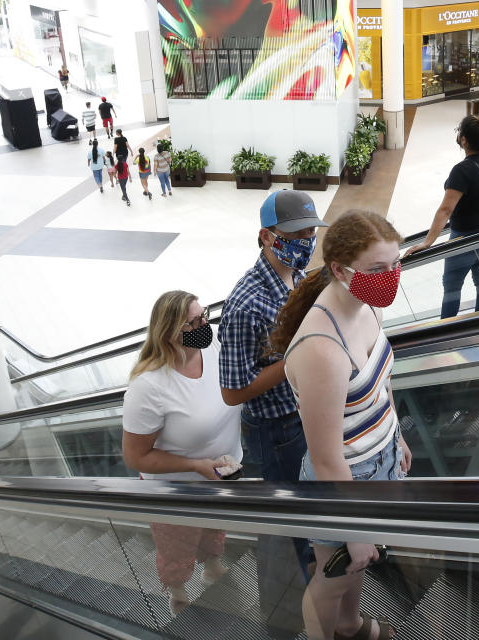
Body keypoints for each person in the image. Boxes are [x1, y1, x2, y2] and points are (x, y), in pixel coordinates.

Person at [269, 211, 411, 640]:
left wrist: (396, 437)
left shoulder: (366, 305)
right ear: (339, 270)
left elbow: (381, 385)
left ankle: (350, 626)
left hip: (378, 461)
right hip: (345, 480)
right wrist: (357, 530)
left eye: (396, 264)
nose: (391, 277)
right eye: (377, 268)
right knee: (333, 581)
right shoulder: (321, 350)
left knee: (354, 571)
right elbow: (328, 457)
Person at [218, 190, 326, 576]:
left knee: (307, 508)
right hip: (273, 431)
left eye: (310, 233)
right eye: (296, 235)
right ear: (266, 236)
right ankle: (286, 609)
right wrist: (297, 355)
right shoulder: (245, 305)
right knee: (284, 526)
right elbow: (232, 392)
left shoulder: (298, 277)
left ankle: (313, 577)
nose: (305, 243)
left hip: (302, 415)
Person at [122, 290, 242, 615]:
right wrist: (196, 465)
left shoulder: (212, 347)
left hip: (219, 475)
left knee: (215, 526)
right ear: (170, 333)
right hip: (175, 489)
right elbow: (135, 456)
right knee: (177, 544)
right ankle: (177, 591)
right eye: (194, 322)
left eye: (204, 315)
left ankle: (213, 566)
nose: (205, 324)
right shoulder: (149, 387)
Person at [404, 114, 479, 319]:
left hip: (464, 238)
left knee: (452, 287)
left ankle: (446, 329)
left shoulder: (462, 170)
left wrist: (428, 242)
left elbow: (446, 210)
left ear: (464, 140)